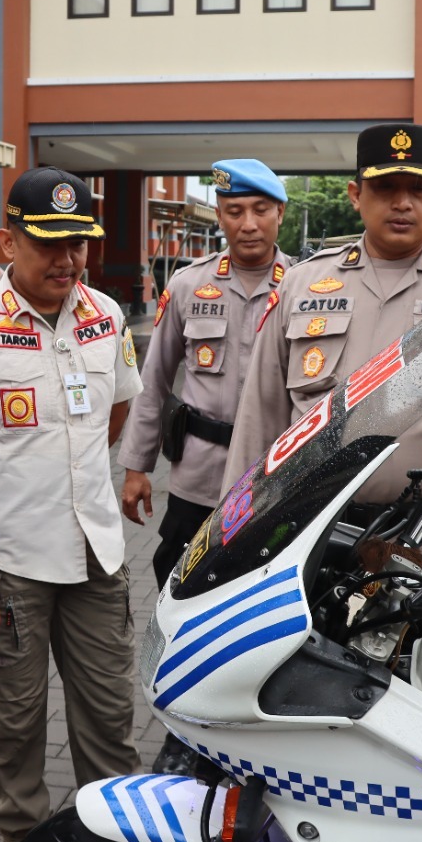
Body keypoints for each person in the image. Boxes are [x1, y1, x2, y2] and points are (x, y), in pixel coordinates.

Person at [224, 124, 422, 567]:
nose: (402, 202)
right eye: (385, 187)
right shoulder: (302, 284)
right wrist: (233, 540)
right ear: (356, 195)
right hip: (304, 534)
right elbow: (259, 420)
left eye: (418, 188)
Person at [0, 166, 143, 842]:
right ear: (6, 242)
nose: (67, 259)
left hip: (96, 555)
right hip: (10, 564)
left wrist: (70, 470)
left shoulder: (107, 316)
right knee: (15, 724)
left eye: (79, 244)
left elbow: (115, 410)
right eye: (49, 244)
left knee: (110, 715)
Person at [119, 158, 293, 587]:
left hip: (275, 478)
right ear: (219, 216)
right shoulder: (187, 285)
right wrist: (136, 467)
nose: (248, 224)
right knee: (179, 584)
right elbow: (153, 380)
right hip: (197, 476)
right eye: (235, 212)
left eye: (260, 210)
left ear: (280, 214)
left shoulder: (305, 287)